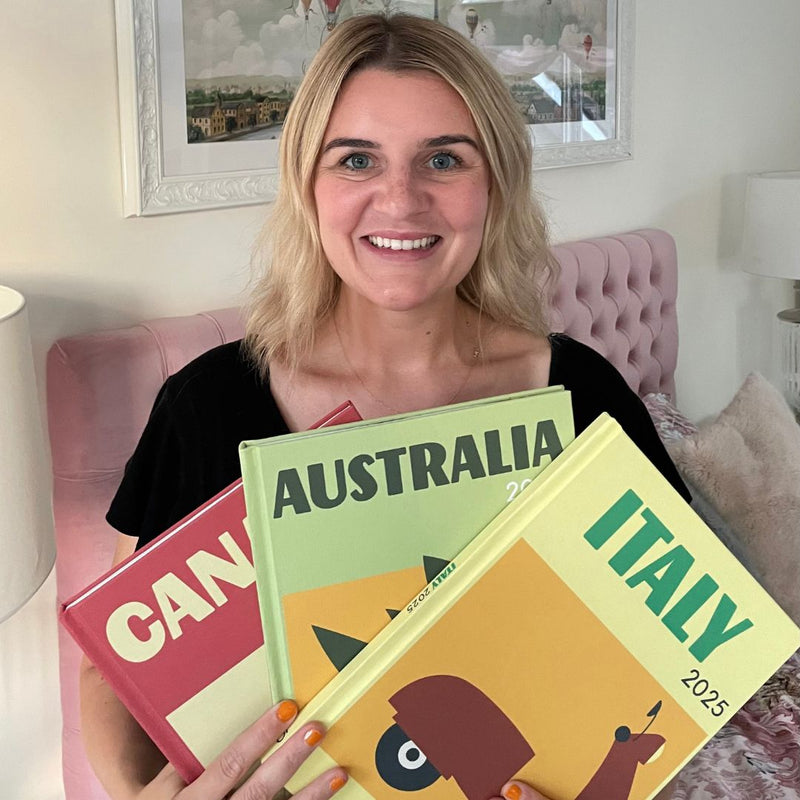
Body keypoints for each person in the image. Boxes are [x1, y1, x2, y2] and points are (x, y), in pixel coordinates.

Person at [81, 12, 687, 800]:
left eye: (443, 159)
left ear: (495, 183)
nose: (399, 200)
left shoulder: (580, 398)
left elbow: (669, 643)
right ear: (308, 185)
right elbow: (115, 666)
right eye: (357, 159)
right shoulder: (208, 404)